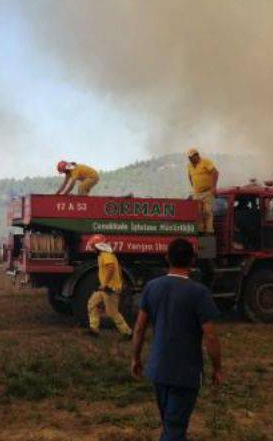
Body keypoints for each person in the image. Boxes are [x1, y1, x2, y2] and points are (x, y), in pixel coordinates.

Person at [131, 238, 223, 441]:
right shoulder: (199, 293)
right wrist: (217, 368)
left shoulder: (152, 288)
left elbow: (139, 329)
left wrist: (136, 358)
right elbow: (210, 336)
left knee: (170, 424)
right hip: (186, 373)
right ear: (192, 260)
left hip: (158, 370)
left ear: (167, 258)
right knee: (174, 428)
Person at [85, 234, 133, 339]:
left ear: (98, 246)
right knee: (92, 304)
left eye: (93, 246)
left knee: (112, 313)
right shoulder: (103, 255)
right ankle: (94, 329)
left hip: (110, 289)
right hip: (105, 288)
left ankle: (127, 333)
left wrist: (104, 284)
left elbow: (111, 268)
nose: (92, 249)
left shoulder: (106, 255)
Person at [186, 149, 219, 234]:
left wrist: (213, 187)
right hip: (197, 193)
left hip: (207, 192)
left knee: (207, 211)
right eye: (189, 157)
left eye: (191, 157)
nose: (190, 159)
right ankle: (200, 230)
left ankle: (209, 231)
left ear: (197, 155)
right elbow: (190, 176)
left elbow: (215, 172)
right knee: (198, 212)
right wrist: (193, 188)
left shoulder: (205, 162)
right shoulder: (189, 166)